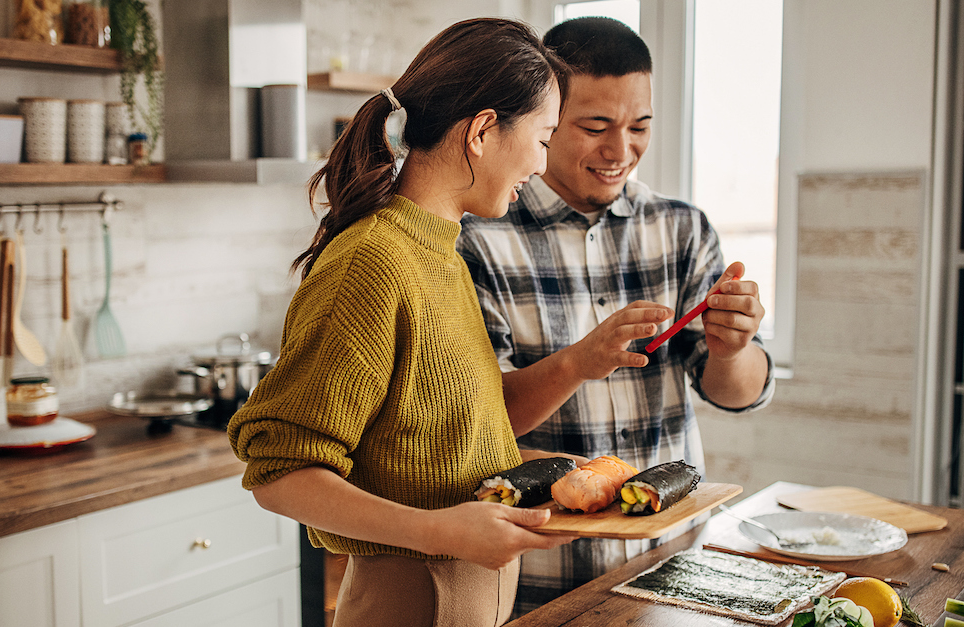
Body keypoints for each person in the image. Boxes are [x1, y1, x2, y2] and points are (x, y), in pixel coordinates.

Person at [228, 18, 578, 627]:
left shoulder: (441, 251)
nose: (543, 165)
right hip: (411, 600)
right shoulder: (374, 261)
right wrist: (439, 531)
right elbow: (279, 470)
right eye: (543, 138)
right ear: (484, 130)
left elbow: (442, 427)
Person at [456, 16, 776, 617]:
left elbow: (736, 395)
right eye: (595, 126)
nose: (620, 151)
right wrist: (578, 363)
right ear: (544, 118)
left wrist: (734, 349)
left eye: (640, 127)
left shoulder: (682, 229)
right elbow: (483, 423)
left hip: (676, 563)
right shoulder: (480, 240)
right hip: (539, 575)